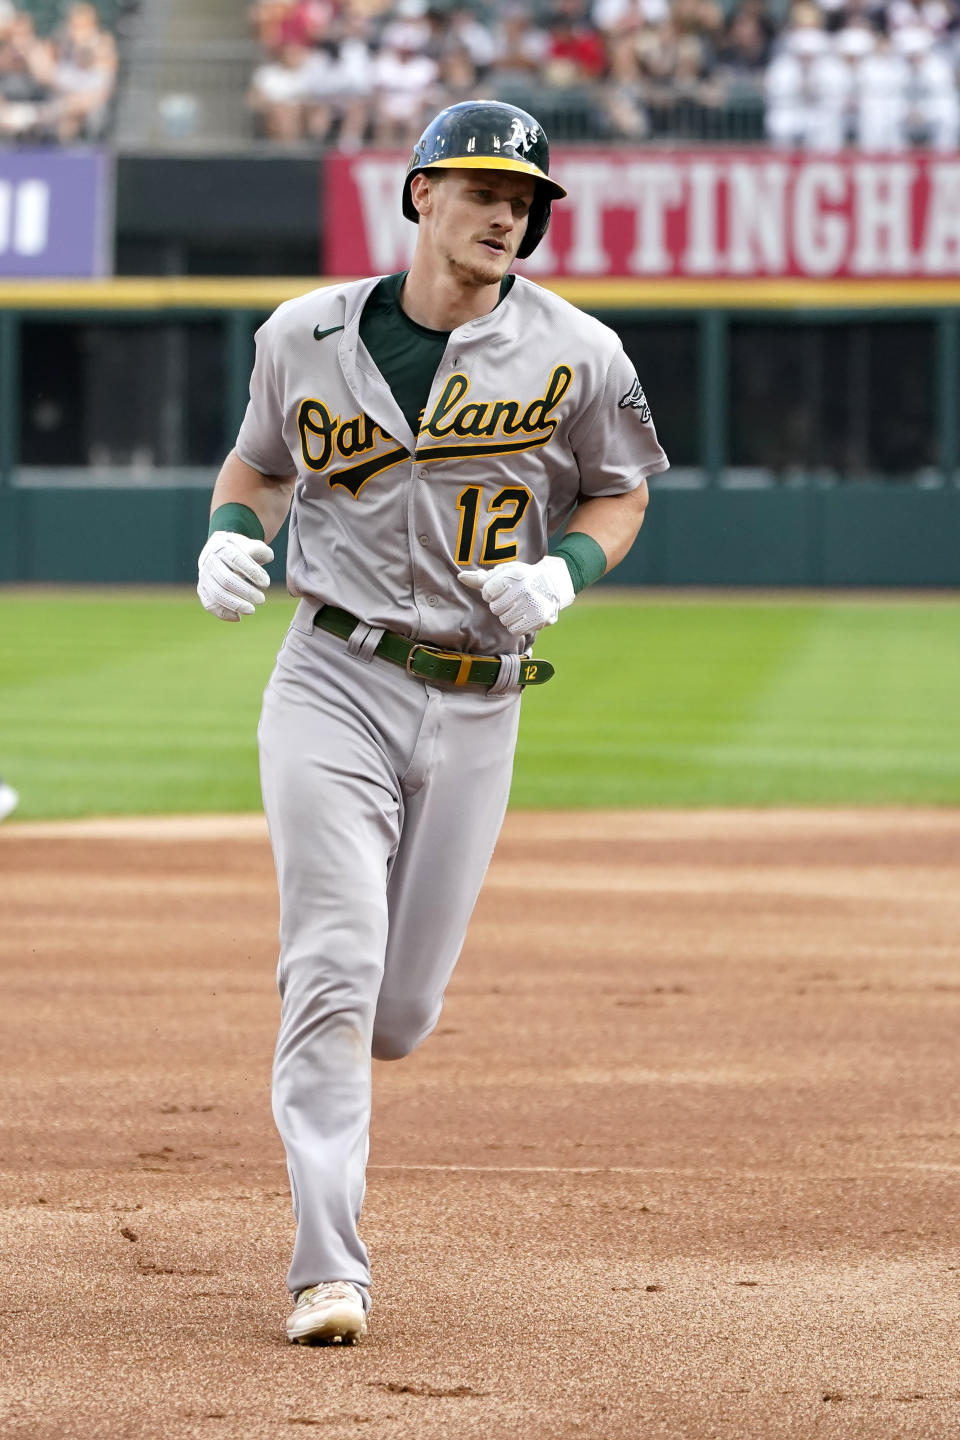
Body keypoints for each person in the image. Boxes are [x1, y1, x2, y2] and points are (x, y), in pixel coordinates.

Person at [196, 99, 668, 1346]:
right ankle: (326, 1269)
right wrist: (228, 540)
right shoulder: (300, 334)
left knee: (397, 1014)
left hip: (480, 704)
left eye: (525, 198)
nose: (508, 211)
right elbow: (255, 468)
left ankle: (344, 1021)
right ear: (419, 197)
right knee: (336, 969)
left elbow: (620, 494)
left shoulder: (581, 352)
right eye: (480, 188)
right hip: (331, 678)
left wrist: (569, 568)